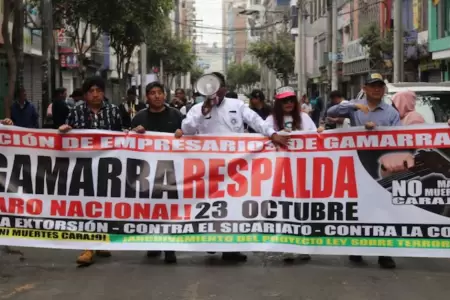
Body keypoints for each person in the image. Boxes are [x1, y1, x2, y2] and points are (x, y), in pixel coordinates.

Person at [180, 72, 289, 262]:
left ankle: (232, 248)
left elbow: (255, 121)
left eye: (216, 86)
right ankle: (212, 243)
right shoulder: (197, 108)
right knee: (211, 206)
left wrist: (271, 134)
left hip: (236, 167)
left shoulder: (237, 105)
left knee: (233, 205)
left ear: (224, 89)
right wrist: (202, 112)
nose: (213, 91)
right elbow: (187, 129)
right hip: (209, 167)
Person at [326, 72, 402, 269]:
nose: (377, 89)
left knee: (384, 211)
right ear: (365, 89)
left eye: (380, 85)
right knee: (360, 210)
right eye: (372, 85)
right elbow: (331, 112)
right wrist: (351, 105)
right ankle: (357, 247)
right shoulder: (355, 109)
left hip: (383, 168)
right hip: (358, 167)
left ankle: (385, 254)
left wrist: (378, 130)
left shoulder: (391, 113)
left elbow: (401, 136)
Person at [58, 76, 122, 265]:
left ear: (103, 92)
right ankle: (88, 246)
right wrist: (64, 130)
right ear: (85, 95)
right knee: (87, 204)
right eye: (91, 91)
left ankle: (101, 240)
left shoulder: (114, 111)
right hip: (84, 167)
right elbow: (66, 133)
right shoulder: (76, 111)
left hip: (108, 167)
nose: (95, 94)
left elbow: (123, 135)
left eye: (98, 90)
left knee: (104, 203)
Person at [131, 81, 183, 264]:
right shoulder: (139, 117)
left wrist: (181, 132)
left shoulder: (176, 115)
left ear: (165, 95)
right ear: (147, 97)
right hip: (147, 171)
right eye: (152, 93)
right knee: (151, 208)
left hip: (171, 170)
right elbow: (128, 143)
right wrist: (136, 133)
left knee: (169, 209)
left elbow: (190, 136)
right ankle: (153, 242)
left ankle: (170, 248)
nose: (157, 96)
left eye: (159, 92)